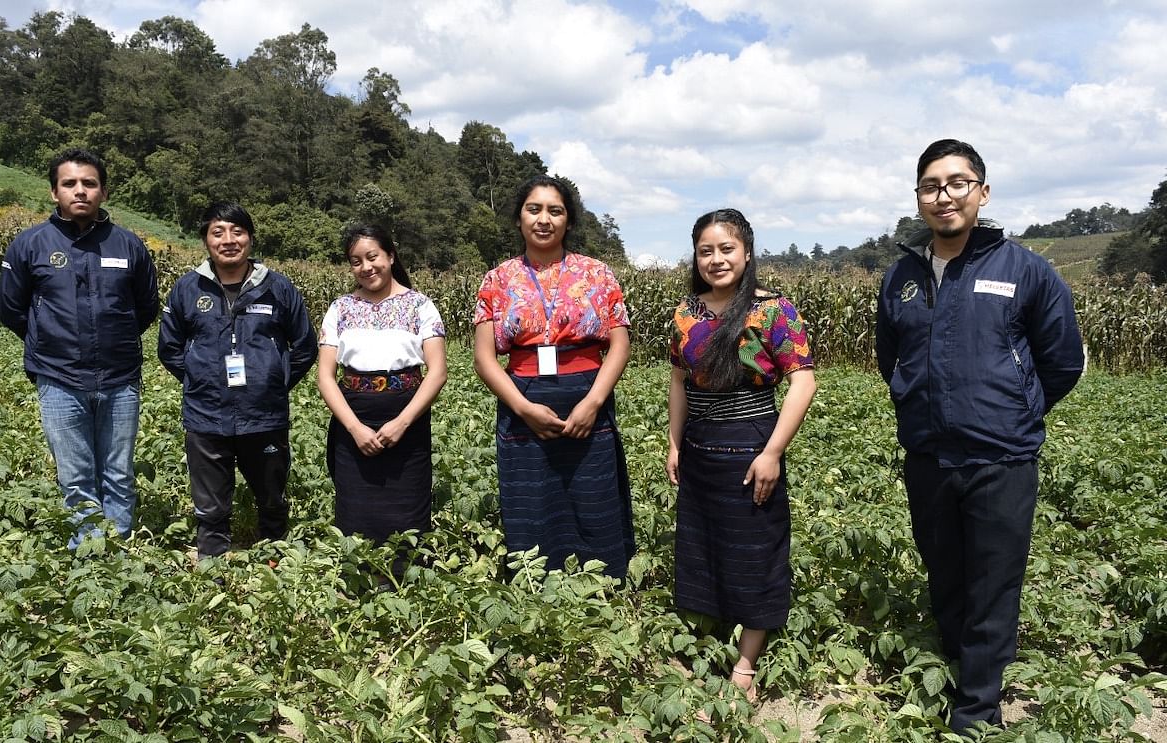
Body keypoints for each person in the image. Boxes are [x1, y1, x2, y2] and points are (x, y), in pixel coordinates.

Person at [876, 139, 1085, 732]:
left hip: (1002, 458)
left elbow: (1063, 360)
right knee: (944, 572)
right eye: (930, 185)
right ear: (918, 198)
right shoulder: (903, 277)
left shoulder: (1023, 269)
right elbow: (890, 356)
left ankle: (975, 711)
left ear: (982, 192)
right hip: (929, 455)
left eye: (956, 182)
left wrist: (1016, 410)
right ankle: (954, 664)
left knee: (993, 583)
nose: (943, 195)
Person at [666, 208, 816, 706]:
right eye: (705, 250)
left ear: (747, 252)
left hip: (752, 443)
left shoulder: (774, 311)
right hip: (700, 447)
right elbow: (679, 382)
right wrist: (673, 441)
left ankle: (746, 664)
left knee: (755, 550)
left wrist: (773, 451)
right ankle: (705, 641)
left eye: (726, 248)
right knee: (704, 544)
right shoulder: (686, 313)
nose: (716, 259)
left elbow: (803, 382)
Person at [473, 174, 635, 579]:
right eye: (534, 209)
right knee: (531, 498)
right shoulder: (497, 280)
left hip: (587, 396)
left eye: (555, 211)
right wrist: (524, 408)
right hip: (523, 398)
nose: (544, 219)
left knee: (593, 496)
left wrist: (594, 402)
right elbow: (484, 358)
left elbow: (619, 344)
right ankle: (534, 584)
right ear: (519, 218)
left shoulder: (597, 274)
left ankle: (603, 585)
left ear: (568, 220)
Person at [0, 148, 159, 548]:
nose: (80, 191)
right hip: (59, 379)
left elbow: (146, 308)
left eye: (89, 183)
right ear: (55, 192)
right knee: (76, 474)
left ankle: (118, 549)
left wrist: (115, 340)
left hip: (120, 378)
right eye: (70, 183)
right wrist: (50, 344)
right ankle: (89, 555)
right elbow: (12, 311)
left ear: (103, 191)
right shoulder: (29, 245)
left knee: (119, 471)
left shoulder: (129, 245)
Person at [157, 202, 317, 559]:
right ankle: (211, 564)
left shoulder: (278, 288)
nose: (228, 240)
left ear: (250, 238)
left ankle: (274, 559)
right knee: (211, 504)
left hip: (265, 415)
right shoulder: (187, 288)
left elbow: (304, 346)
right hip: (206, 415)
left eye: (237, 231)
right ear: (206, 241)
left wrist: (273, 381)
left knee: (272, 497)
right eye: (218, 232)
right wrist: (201, 381)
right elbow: (169, 348)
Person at [316, 224, 447, 554]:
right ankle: (356, 586)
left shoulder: (420, 306)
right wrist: (355, 428)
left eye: (372, 257)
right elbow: (326, 377)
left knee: (408, 507)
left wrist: (402, 423)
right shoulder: (340, 309)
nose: (366, 267)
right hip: (353, 421)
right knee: (354, 508)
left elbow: (437, 372)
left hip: (408, 419)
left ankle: (406, 582)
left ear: (390, 255)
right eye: (356, 261)